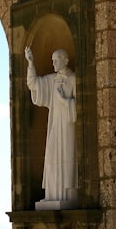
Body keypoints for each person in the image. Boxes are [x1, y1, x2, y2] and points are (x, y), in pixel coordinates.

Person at [24, 46, 78, 204]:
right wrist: (31, 64)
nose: (53, 64)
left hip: (68, 124)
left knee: (67, 156)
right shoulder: (52, 80)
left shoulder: (74, 79)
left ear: (65, 61)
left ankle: (68, 194)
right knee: (52, 155)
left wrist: (64, 101)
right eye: (52, 61)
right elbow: (33, 84)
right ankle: (53, 194)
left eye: (56, 60)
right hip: (54, 123)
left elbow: (79, 105)